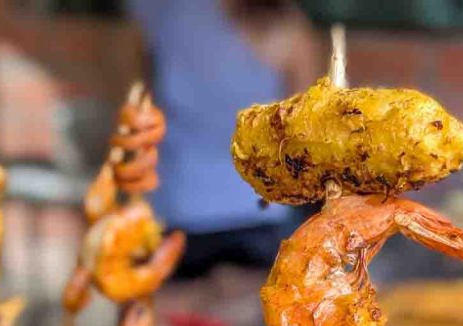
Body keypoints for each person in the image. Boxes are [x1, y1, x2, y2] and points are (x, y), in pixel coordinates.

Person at [128, 0, 321, 277]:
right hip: (260, 212)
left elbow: (137, 110)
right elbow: (304, 135)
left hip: (176, 206)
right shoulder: (287, 26)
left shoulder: (159, 11)